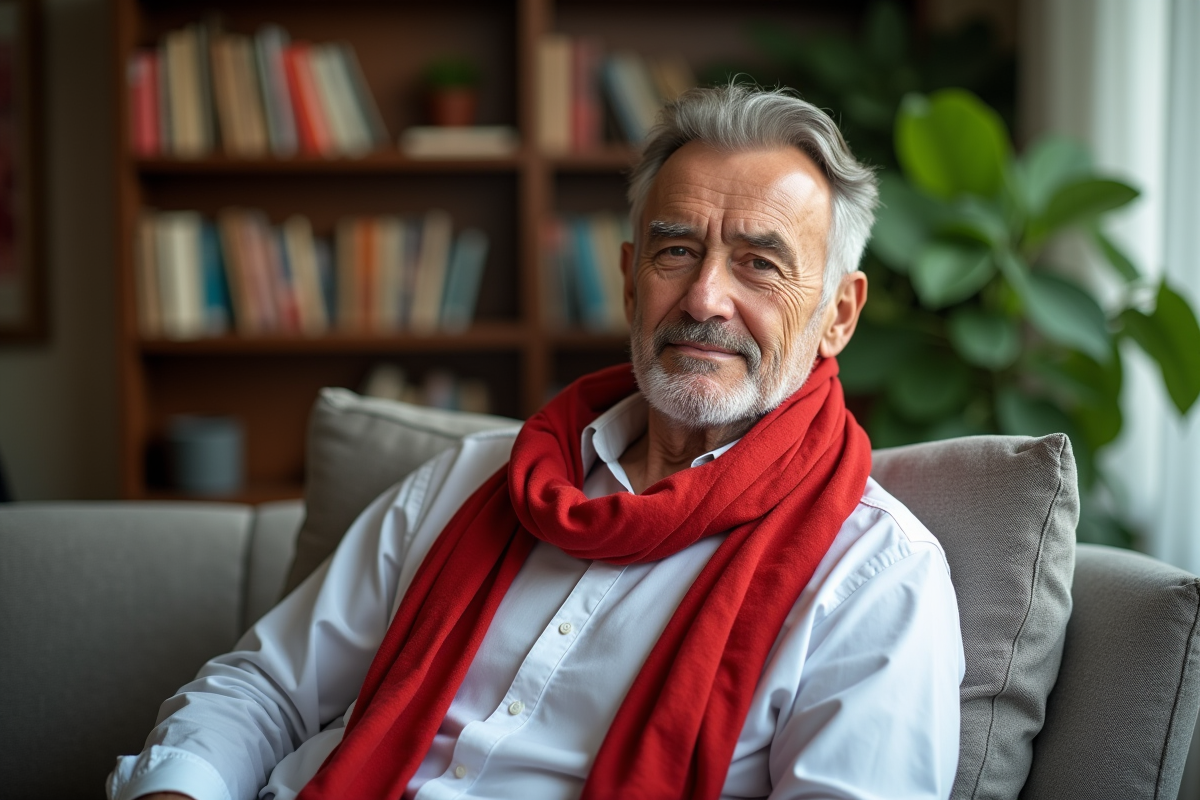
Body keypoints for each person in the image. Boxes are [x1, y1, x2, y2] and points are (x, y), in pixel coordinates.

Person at [109, 85, 964, 800]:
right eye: (676, 251)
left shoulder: (874, 577)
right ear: (630, 279)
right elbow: (268, 689)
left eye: (760, 264)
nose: (704, 297)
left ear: (839, 316)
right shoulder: (475, 479)